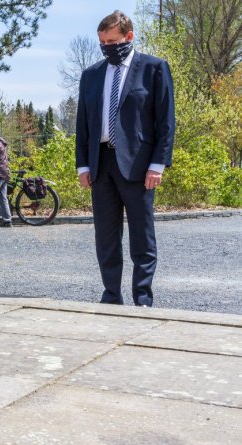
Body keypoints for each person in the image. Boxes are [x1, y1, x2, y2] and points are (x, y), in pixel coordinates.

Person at [75, 10, 175, 307]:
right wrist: (83, 164)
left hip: (140, 167)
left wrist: (158, 163)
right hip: (101, 165)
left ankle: (142, 298)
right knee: (106, 237)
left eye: (112, 41)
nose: (107, 47)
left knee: (142, 238)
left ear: (129, 37)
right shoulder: (91, 75)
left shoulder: (154, 69)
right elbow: (83, 124)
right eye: (102, 42)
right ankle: (111, 297)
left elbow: (165, 122)